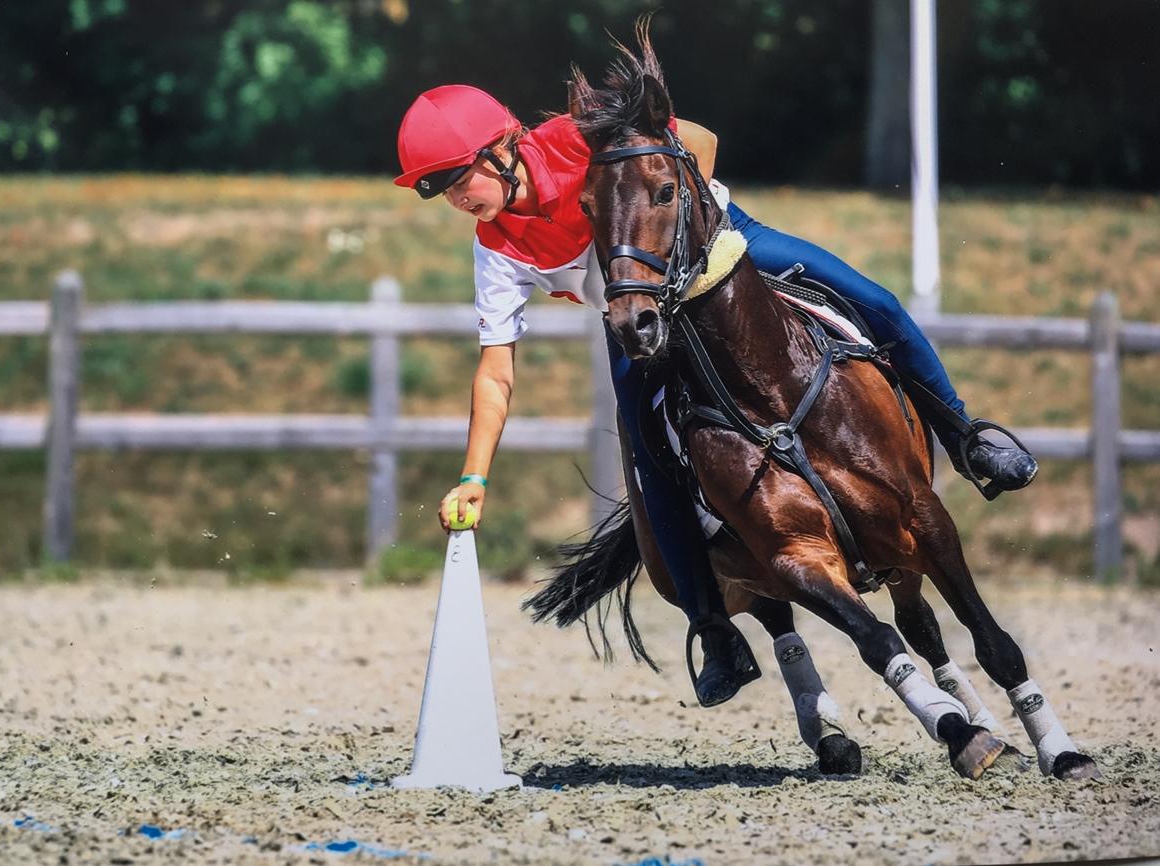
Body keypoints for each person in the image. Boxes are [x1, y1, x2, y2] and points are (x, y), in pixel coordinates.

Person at [392, 84, 1037, 707]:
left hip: (725, 251)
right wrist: (475, 474)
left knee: (877, 302)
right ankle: (712, 627)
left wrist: (685, 231)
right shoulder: (495, 247)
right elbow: (495, 373)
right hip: (640, 317)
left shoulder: (576, 138)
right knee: (646, 454)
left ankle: (964, 437)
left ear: (504, 147)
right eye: (436, 191)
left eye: (455, 180)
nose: (453, 200)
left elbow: (700, 139)